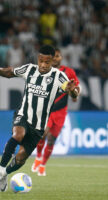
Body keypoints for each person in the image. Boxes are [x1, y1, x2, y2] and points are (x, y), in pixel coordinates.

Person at [0, 45, 79, 192]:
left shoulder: (58, 76)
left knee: (21, 157)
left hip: (38, 126)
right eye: (40, 60)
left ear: (52, 62)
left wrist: (72, 91)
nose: (42, 65)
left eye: (46, 62)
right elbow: (10, 72)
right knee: (18, 134)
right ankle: (0, 169)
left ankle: (5, 174)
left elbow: (72, 93)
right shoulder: (30, 69)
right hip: (23, 115)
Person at [31, 48, 80, 176]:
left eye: (58, 56)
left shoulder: (69, 72)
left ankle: (42, 165)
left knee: (52, 140)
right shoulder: (45, 72)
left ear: (61, 58)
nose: (56, 58)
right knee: (43, 134)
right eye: (55, 56)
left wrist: (75, 95)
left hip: (60, 112)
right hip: (47, 109)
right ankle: (38, 157)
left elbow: (76, 87)